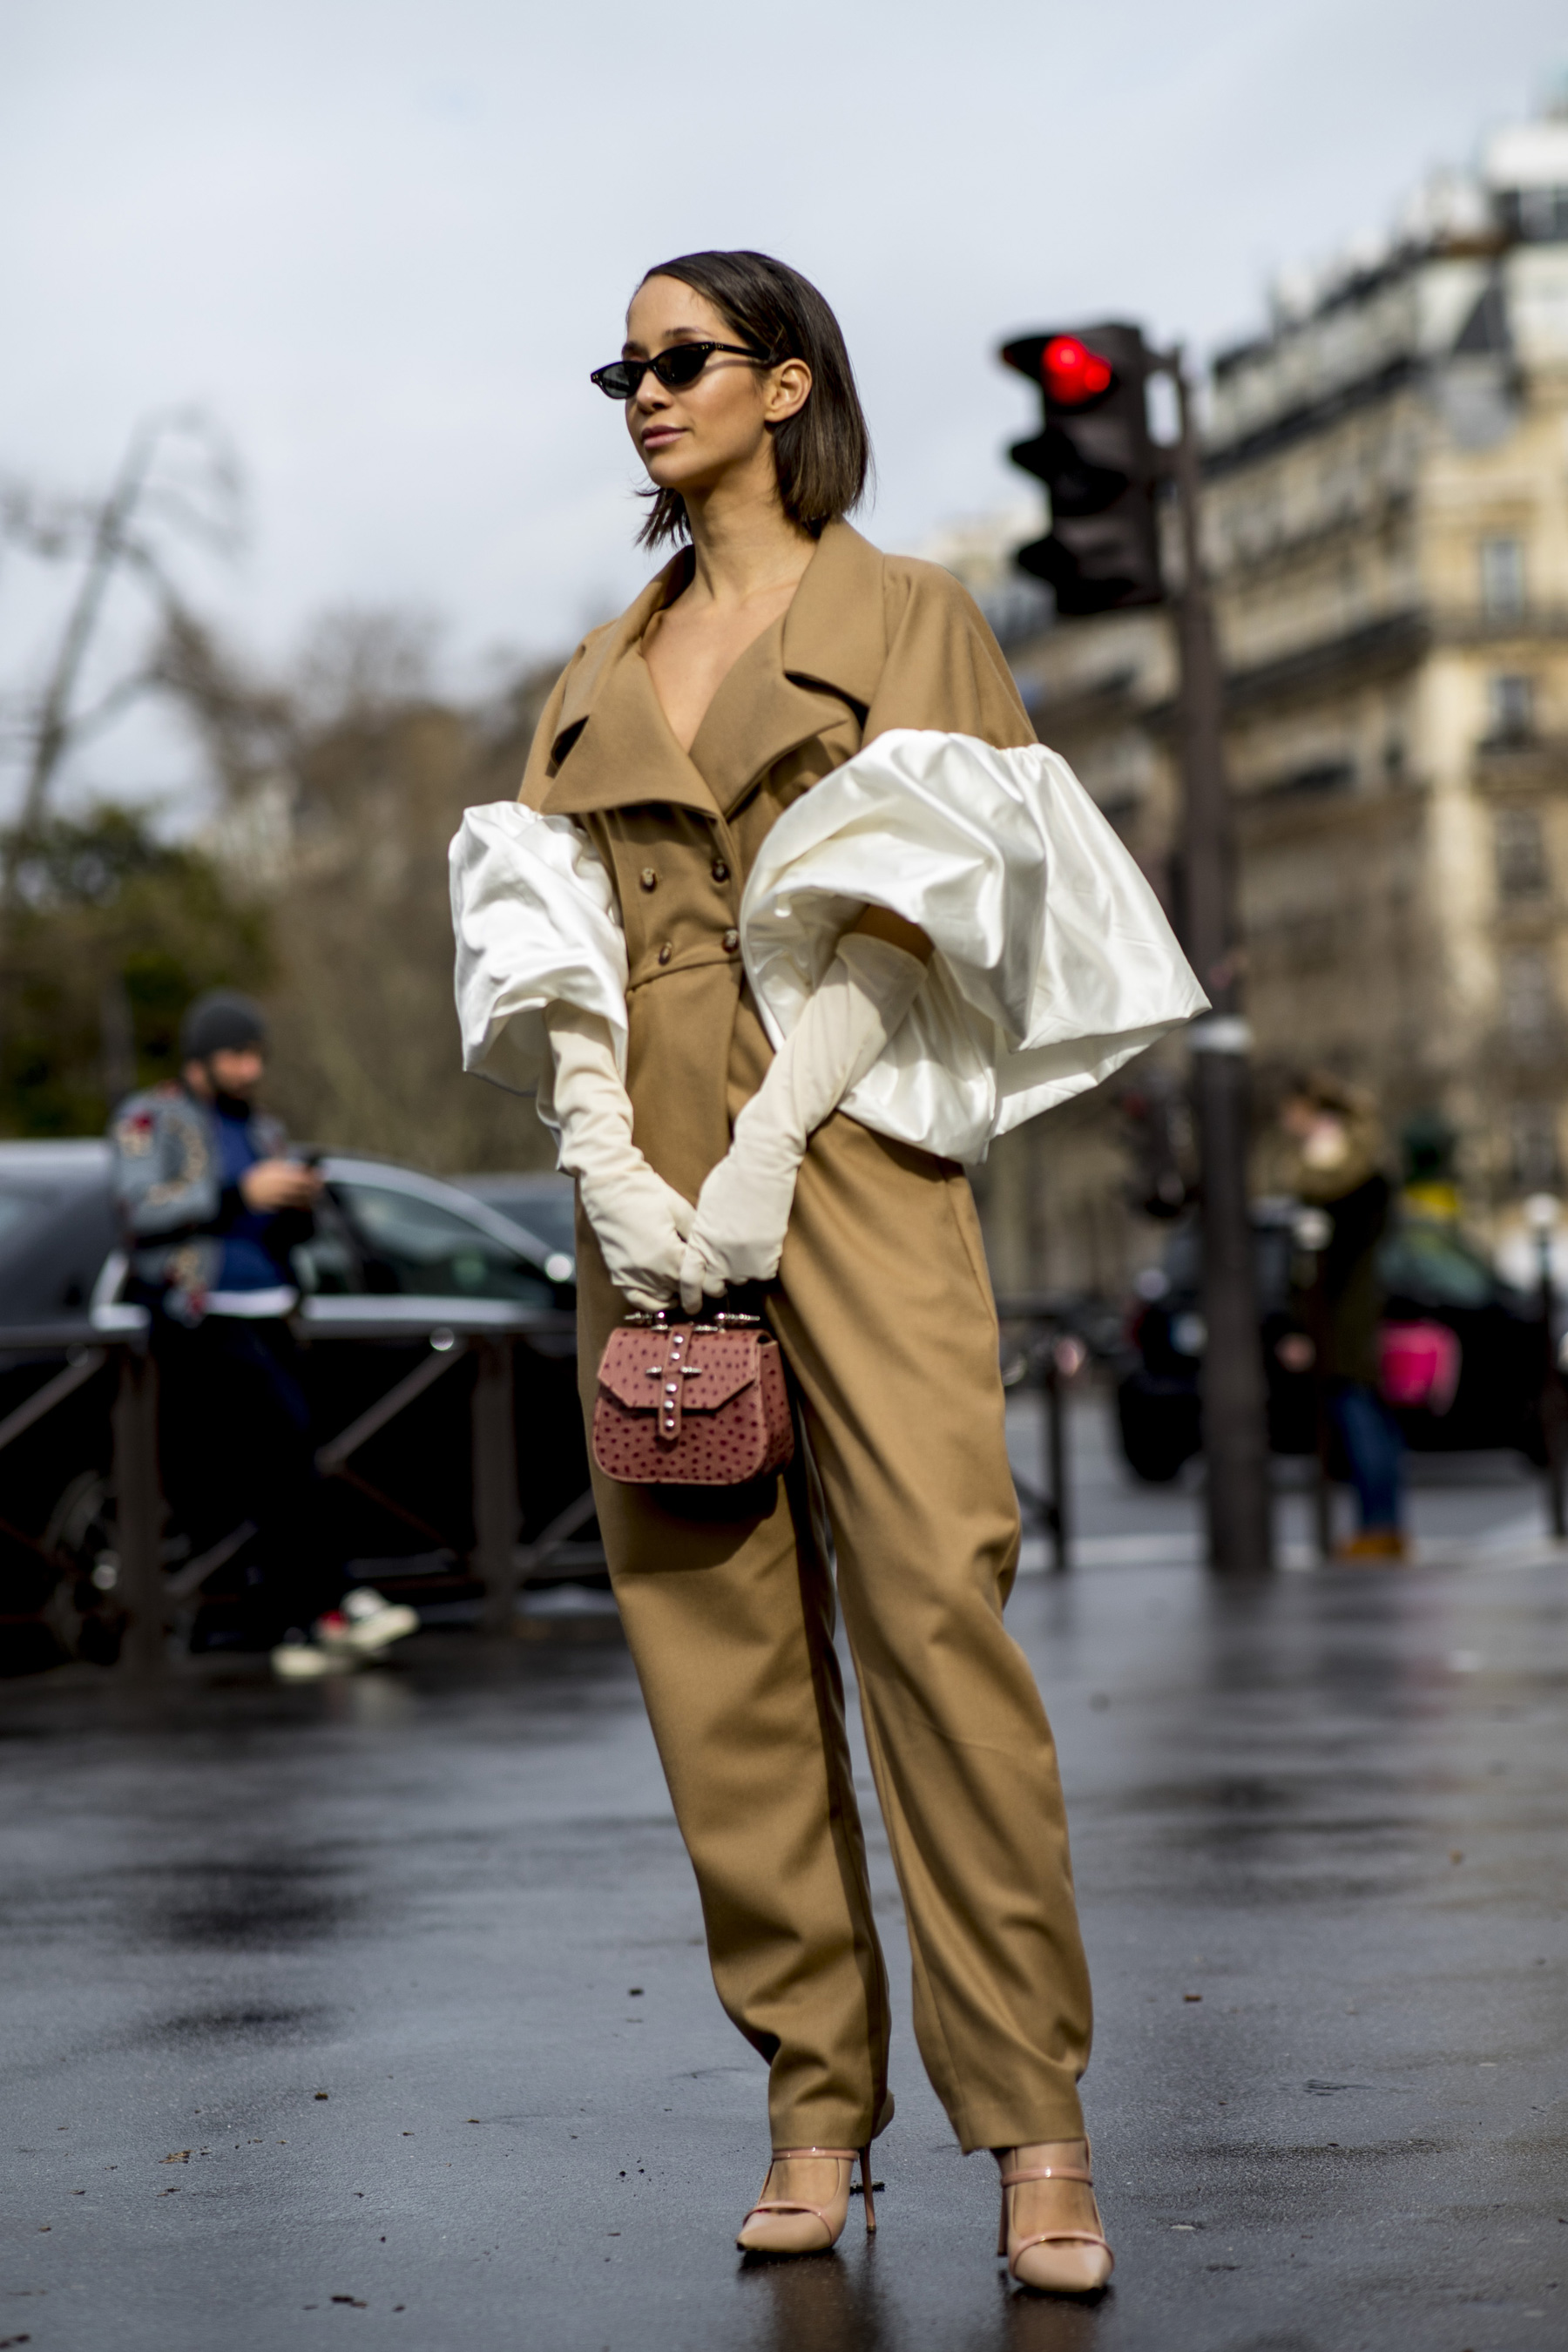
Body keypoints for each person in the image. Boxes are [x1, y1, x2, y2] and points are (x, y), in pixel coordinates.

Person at [450, 252, 1205, 2292]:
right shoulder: (599, 661)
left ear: (787, 382)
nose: (643, 391)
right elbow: (554, 930)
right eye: (622, 362)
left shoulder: (907, 614)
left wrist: (781, 1133)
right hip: (649, 1181)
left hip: (853, 1143)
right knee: (711, 1635)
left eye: (681, 358)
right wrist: (607, 1154)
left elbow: (930, 902)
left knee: (937, 1611)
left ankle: (1034, 2120)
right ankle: (811, 2098)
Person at [109, 990, 418, 1679]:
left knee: (290, 1462)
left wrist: (297, 1203)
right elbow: (136, 1209)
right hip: (202, 1313)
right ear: (198, 1060)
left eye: (255, 1056)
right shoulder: (150, 1118)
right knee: (286, 1450)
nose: (249, 1069)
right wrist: (237, 1194)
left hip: (274, 1310)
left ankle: (305, 1625)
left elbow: (280, 1233)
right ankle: (334, 1602)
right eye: (234, 1055)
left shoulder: (266, 1131)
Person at [1279, 1071, 1406, 1561]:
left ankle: (1377, 1528)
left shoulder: (1333, 1173)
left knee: (1360, 1420)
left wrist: (1301, 1324)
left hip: (1342, 1320)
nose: (1287, 1122)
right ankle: (1383, 1526)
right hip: (1358, 1314)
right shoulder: (1364, 1167)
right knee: (1372, 1421)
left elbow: (1317, 1264)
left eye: (1293, 1111)